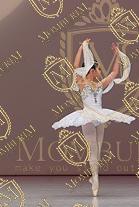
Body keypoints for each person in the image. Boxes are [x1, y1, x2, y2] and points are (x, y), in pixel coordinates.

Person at [52, 39, 134, 196]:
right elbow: (76, 66)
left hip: (99, 118)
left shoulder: (100, 84)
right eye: (99, 69)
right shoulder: (82, 83)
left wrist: (117, 55)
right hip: (88, 117)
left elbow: (114, 73)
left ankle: (94, 175)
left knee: (98, 151)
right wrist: (81, 47)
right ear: (91, 70)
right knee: (93, 149)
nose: (101, 71)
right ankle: (95, 179)